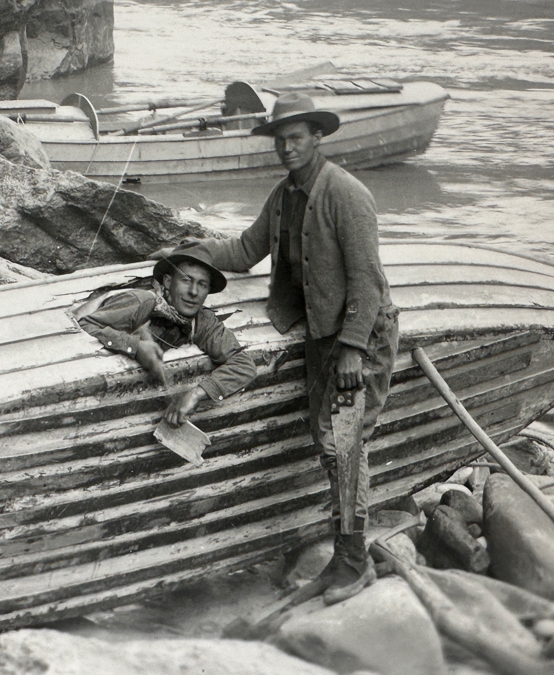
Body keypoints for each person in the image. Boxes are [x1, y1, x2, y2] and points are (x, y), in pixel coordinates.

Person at [155, 92, 399, 604]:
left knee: (345, 445)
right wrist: (185, 253)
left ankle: (351, 564)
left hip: (361, 338)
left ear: (317, 138)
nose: (287, 148)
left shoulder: (346, 194)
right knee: (328, 442)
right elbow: (245, 250)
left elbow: (368, 282)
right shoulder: (285, 194)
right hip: (319, 335)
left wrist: (354, 349)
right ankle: (349, 553)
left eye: (296, 138)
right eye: (280, 140)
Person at [71, 241, 256, 428]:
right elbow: (85, 324)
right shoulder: (140, 302)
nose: (193, 292)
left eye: (202, 284)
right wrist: (134, 346)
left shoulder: (203, 321)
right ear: (168, 281)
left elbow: (244, 365)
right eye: (186, 280)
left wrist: (195, 394)